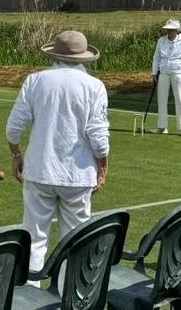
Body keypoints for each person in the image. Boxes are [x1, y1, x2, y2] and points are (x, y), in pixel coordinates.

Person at [6, 29, 111, 277]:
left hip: (39, 170)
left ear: (54, 55)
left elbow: (14, 127)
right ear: (84, 58)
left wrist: (16, 155)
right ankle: (69, 300)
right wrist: (103, 167)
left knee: (33, 238)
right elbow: (98, 136)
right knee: (75, 240)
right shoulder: (95, 86)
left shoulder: (35, 80)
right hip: (78, 174)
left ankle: (28, 298)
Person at [151, 18, 181, 136]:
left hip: (179, 73)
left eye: (172, 30)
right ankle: (162, 127)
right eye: (168, 30)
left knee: (180, 99)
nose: (169, 32)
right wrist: (154, 73)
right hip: (163, 73)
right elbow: (156, 58)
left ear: (177, 30)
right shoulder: (161, 41)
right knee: (161, 99)